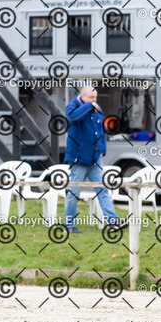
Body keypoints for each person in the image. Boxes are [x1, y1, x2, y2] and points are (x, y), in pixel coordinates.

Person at [64, 85, 127, 233]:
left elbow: (101, 130)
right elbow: (72, 117)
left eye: (95, 98)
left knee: (102, 189)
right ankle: (69, 225)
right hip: (78, 159)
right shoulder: (72, 106)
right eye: (91, 97)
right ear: (83, 96)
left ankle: (113, 221)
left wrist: (103, 148)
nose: (94, 100)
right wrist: (89, 106)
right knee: (74, 192)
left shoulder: (96, 108)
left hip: (95, 158)